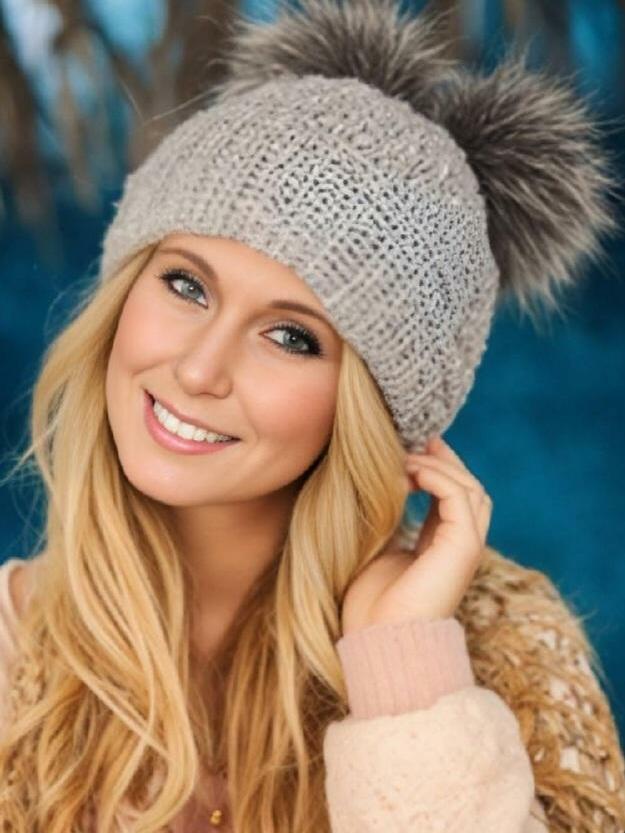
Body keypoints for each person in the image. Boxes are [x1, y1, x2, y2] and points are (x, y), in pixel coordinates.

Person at [1, 0, 624, 831]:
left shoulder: (512, 658)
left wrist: (402, 668)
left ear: (372, 409)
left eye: (291, 337)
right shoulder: (11, 651)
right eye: (185, 284)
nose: (198, 368)